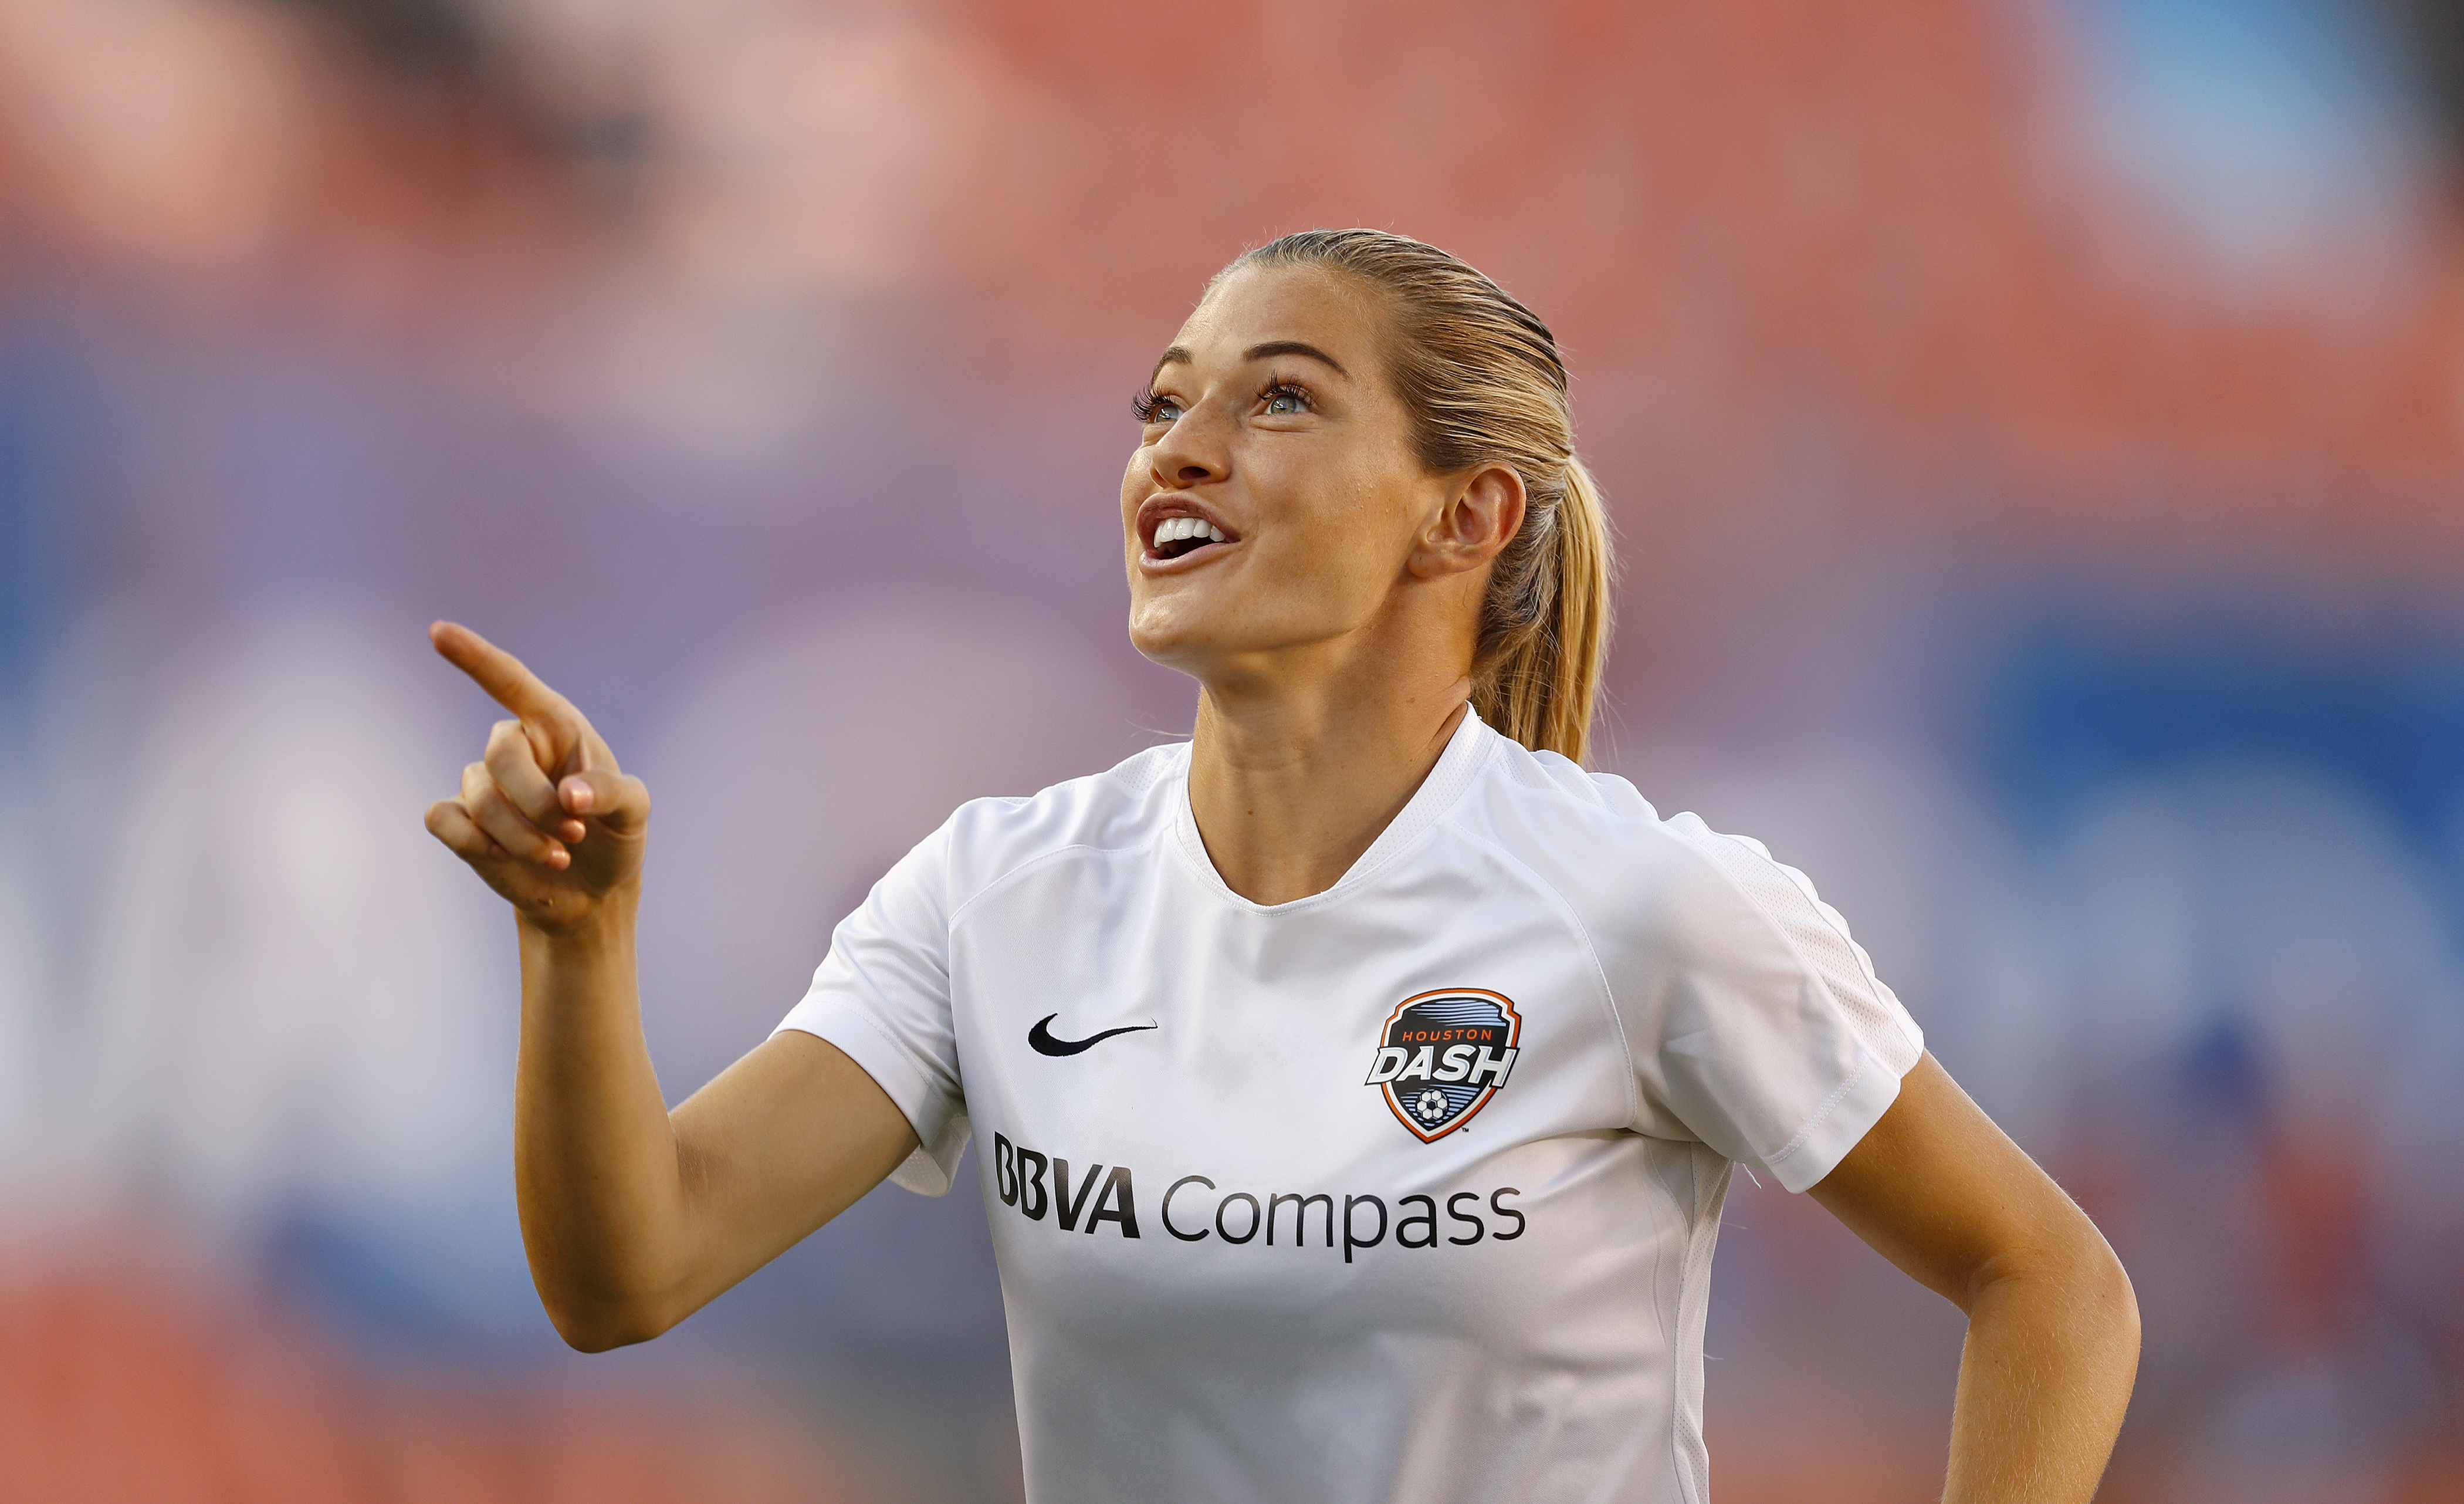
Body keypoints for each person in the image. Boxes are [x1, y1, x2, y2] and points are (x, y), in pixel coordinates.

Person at [425, 229, 2138, 1503]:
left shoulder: (1644, 909)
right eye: (1163, 403)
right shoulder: (997, 891)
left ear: (1464, 517)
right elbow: (625, 1271)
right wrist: (579, 946)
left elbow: (2051, 1282)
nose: (1178, 446)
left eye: (1280, 401)